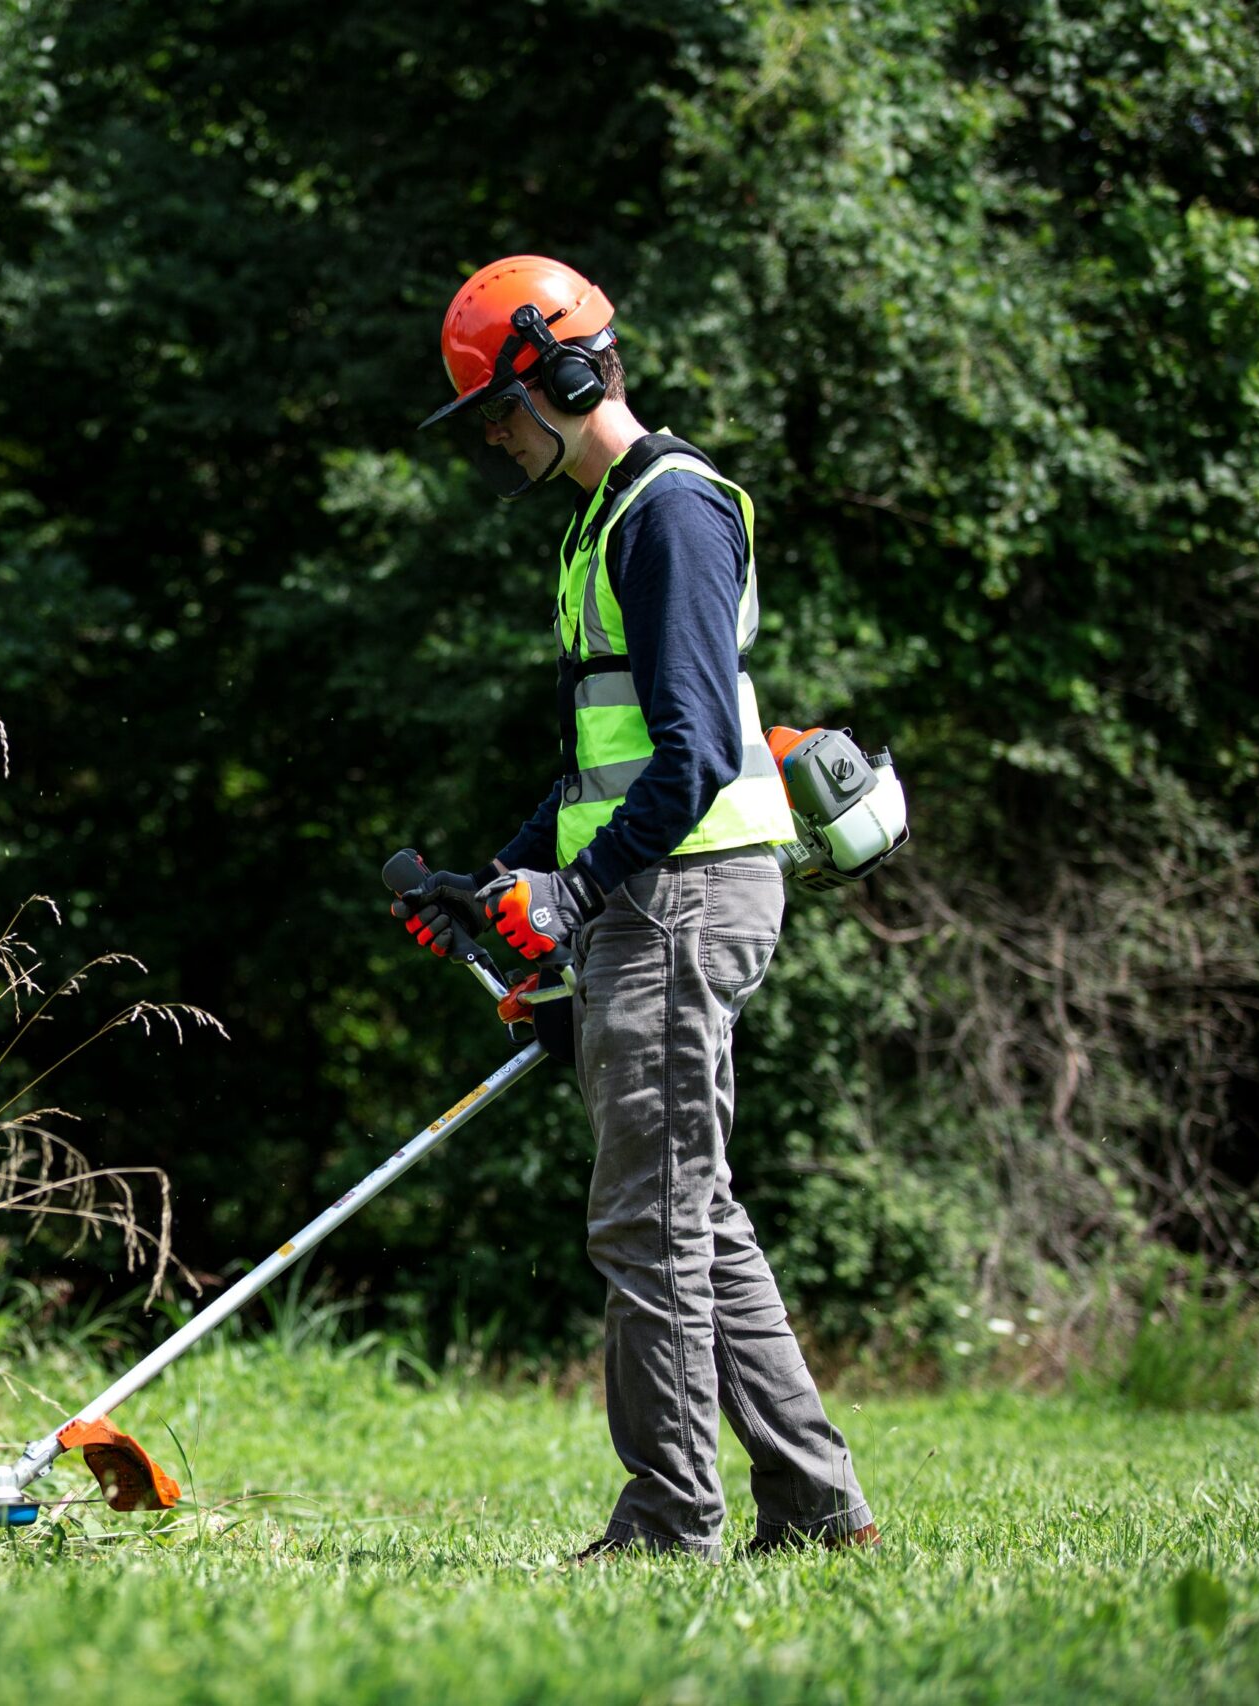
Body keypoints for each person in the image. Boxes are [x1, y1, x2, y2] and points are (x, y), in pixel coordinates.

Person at [395, 255, 878, 1562]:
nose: (494, 440)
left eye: (498, 412)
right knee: (693, 1209)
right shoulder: (603, 521)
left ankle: (671, 1520)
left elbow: (697, 753)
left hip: (683, 894)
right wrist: (489, 879)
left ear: (559, 377)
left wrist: (575, 893)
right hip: (656, 888)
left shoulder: (669, 515)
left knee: (647, 1218)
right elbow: (597, 767)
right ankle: (817, 1503)